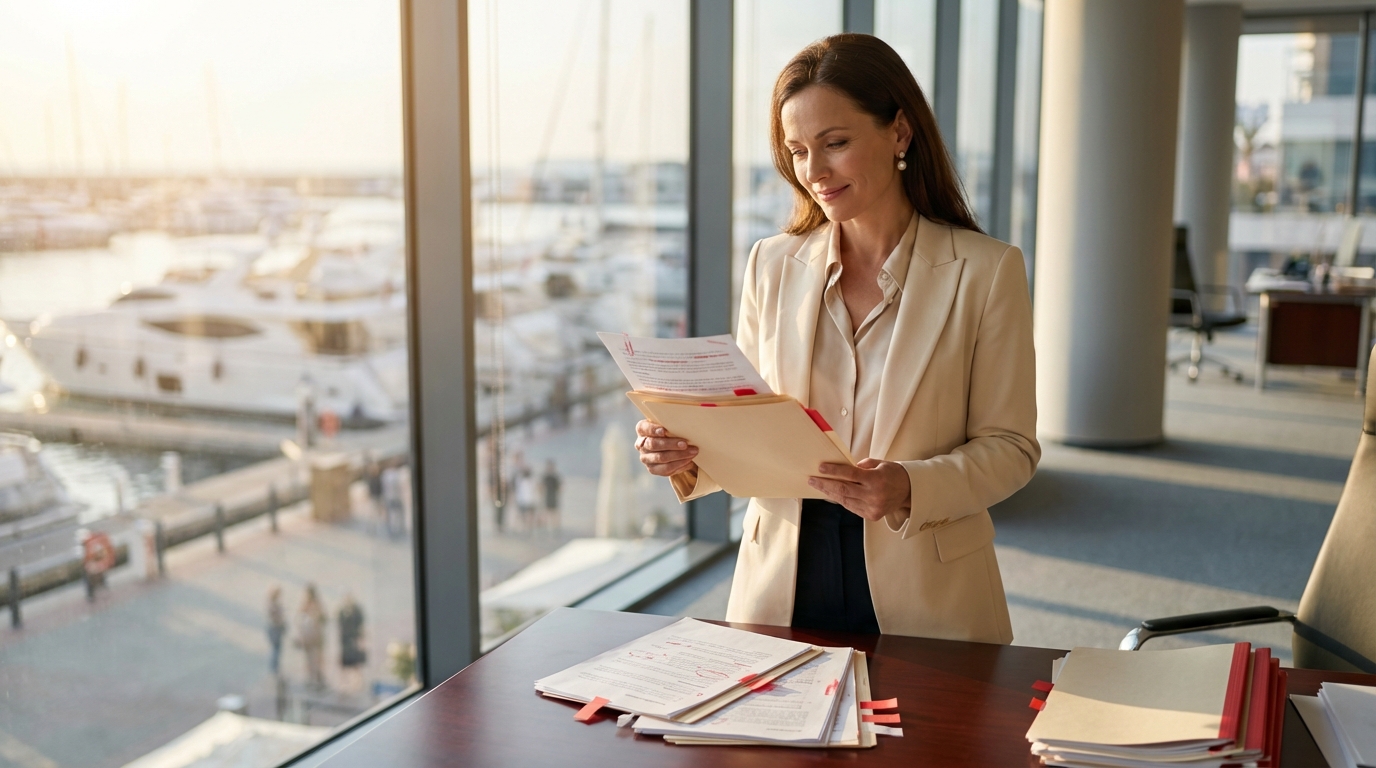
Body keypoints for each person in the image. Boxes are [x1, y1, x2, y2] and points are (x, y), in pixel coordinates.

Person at [634, 34, 1038, 644]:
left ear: (900, 133)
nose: (814, 172)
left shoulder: (986, 271)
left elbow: (1011, 447)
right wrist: (685, 452)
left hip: (926, 581)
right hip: (784, 579)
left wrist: (907, 484)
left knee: (928, 740)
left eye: (836, 143)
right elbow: (747, 421)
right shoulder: (771, 264)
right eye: (797, 151)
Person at [296, 583, 328, 689]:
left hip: (315, 637)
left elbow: (324, 619)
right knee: (310, 659)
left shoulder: (317, 605)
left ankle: (317, 679)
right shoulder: (304, 605)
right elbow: (299, 620)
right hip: (309, 637)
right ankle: (311, 679)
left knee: (317, 659)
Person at [337, 593, 366, 693]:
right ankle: (344, 683)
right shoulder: (342, 612)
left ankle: (357, 683)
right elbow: (340, 625)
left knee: (355, 663)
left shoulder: (356, 612)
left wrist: (361, 640)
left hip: (353, 640)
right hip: (345, 641)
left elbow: (361, 626)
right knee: (344, 663)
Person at [266, 586, 287, 676]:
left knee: (276, 648)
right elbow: (276, 618)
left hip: (273, 628)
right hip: (275, 629)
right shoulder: (274, 605)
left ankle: (275, 667)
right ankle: (274, 668)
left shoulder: (271, 604)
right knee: (276, 649)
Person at [540, 459, 562, 532]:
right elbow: (541, 486)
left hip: (553, 496)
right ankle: (545, 528)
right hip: (547, 496)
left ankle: (555, 529)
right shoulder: (545, 476)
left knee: (554, 513)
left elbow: (560, 487)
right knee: (546, 512)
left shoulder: (555, 477)